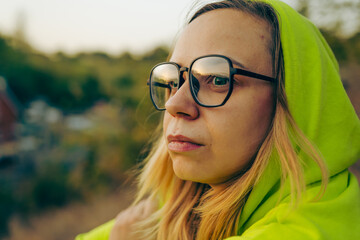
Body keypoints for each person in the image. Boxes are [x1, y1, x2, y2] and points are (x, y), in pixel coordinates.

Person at [75, 0, 360, 239]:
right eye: (175, 79)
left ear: (295, 99)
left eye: (218, 79)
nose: (175, 103)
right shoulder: (176, 208)